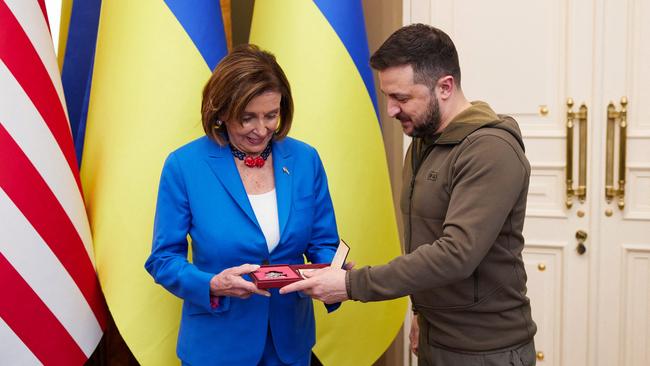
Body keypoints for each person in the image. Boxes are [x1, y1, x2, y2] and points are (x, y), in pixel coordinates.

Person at [280, 24, 537, 365]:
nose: (391, 110)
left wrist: (352, 285)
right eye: (388, 96)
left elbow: (455, 254)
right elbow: (424, 241)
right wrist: (421, 313)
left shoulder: (491, 150)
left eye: (401, 98)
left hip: (487, 350)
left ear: (445, 87)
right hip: (435, 338)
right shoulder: (421, 144)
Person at [145, 44, 340, 366]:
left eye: (271, 115)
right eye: (247, 118)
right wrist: (211, 284)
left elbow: (323, 242)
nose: (261, 129)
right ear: (220, 112)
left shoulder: (306, 159)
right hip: (217, 346)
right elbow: (163, 259)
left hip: (289, 345)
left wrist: (333, 271)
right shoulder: (184, 165)